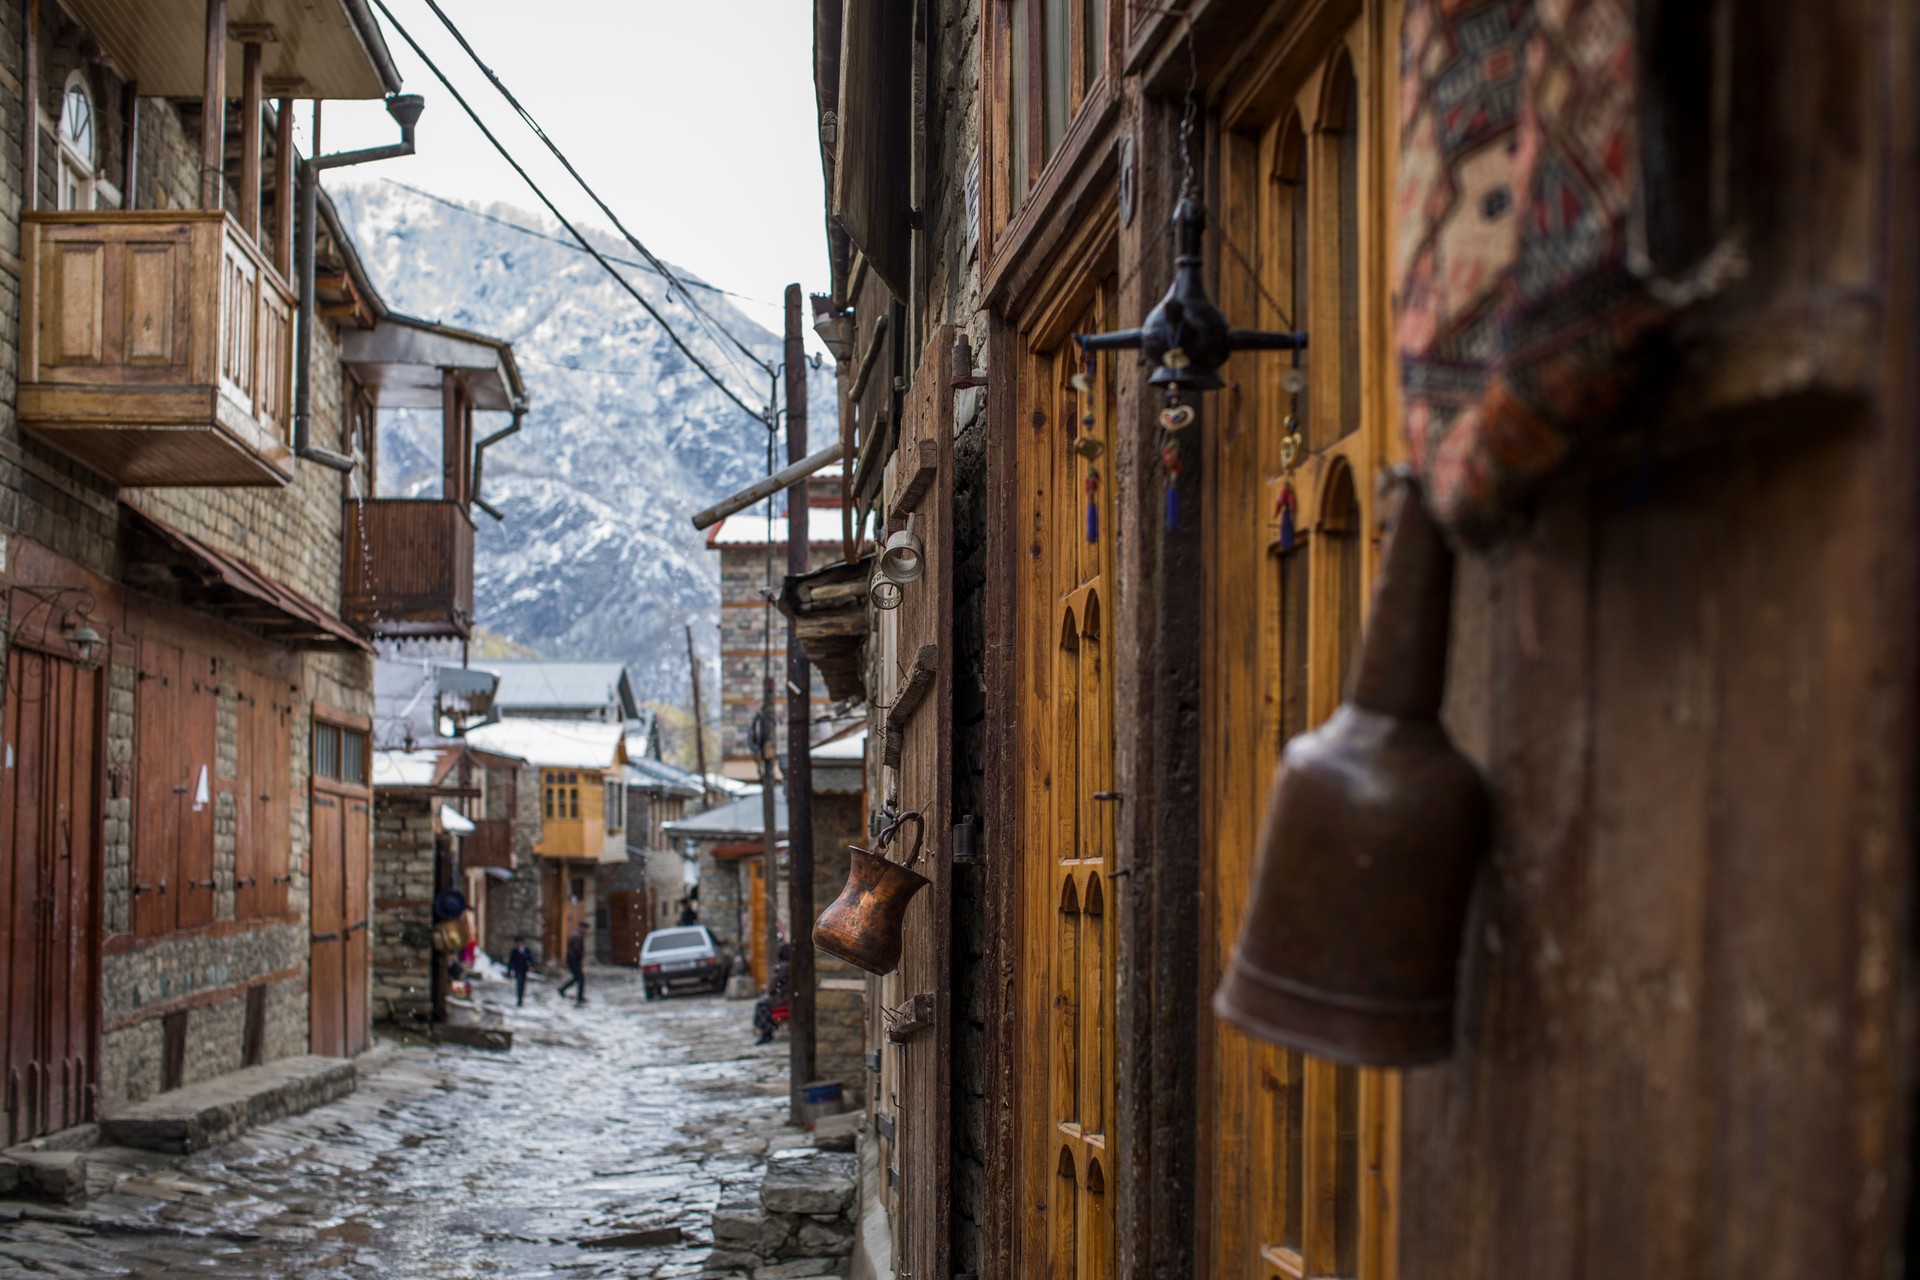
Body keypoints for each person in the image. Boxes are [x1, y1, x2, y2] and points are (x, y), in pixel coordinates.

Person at [753, 941, 791, 1045]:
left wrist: (770, 991)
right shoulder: (790, 965)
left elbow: (772, 987)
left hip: (784, 998)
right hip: (788, 996)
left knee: (761, 1004)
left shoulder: (781, 967)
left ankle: (766, 1031)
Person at [557, 922, 588, 1005]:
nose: (585, 931)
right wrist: (579, 957)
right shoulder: (577, 936)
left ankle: (563, 989)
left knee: (577, 978)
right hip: (574, 960)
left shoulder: (576, 935)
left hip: (573, 960)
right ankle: (579, 997)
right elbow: (576, 949)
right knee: (580, 978)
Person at [506, 937, 535, 1007]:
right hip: (517, 969)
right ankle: (519, 999)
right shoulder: (514, 951)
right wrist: (509, 970)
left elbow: (530, 959)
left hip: (524, 970)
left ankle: (521, 998)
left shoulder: (526, 951)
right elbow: (511, 962)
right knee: (519, 983)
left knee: (522, 984)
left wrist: (531, 966)